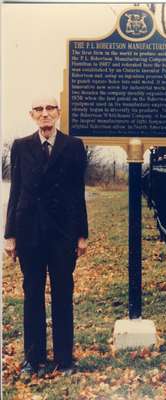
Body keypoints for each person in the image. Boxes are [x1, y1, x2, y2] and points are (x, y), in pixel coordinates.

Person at [4, 96, 88, 377]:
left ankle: (65, 359)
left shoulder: (74, 146)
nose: (44, 114)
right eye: (38, 109)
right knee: (32, 295)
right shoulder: (21, 147)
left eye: (49, 108)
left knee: (63, 294)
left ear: (58, 112)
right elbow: (15, 192)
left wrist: (82, 234)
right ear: (32, 115)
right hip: (29, 233)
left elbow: (78, 193)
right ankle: (33, 358)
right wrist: (10, 235)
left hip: (63, 235)